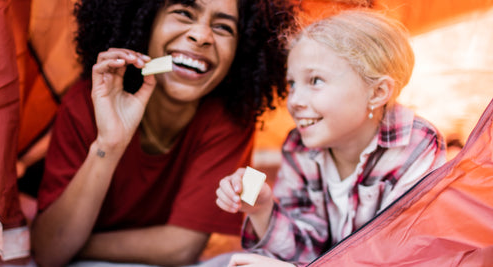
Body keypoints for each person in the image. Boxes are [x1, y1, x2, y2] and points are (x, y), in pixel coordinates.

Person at [30, 0, 296, 266]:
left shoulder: (229, 119)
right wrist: (108, 145)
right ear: (145, 22)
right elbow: (48, 252)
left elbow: (181, 247)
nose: (201, 36)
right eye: (183, 13)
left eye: (223, 27)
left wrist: (76, 245)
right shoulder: (87, 102)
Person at [216, 9, 447, 266]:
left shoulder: (417, 146)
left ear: (378, 92)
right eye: (292, 84)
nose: (294, 101)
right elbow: (305, 249)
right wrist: (262, 209)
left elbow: (398, 256)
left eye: (315, 80)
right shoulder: (299, 147)